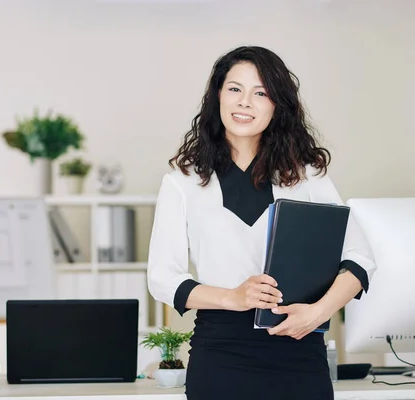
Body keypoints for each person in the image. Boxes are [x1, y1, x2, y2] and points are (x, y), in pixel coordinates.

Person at [146, 45, 377, 400]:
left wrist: (318, 313)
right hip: (221, 355)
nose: (244, 103)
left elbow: (360, 258)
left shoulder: (307, 175)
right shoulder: (183, 180)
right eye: (235, 89)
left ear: (277, 105)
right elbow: (163, 277)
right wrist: (233, 298)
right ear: (217, 96)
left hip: (299, 353)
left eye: (261, 93)